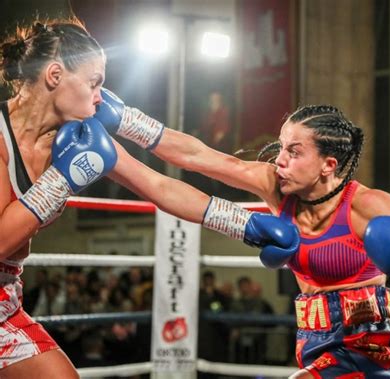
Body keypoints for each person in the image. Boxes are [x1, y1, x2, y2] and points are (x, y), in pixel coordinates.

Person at [0, 19, 300, 378]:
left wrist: (243, 224)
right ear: (54, 75)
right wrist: (62, 178)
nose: (100, 96)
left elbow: (160, 186)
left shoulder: (79, 135)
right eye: (94, 83)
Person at [96, 91, 390, 378]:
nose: (280, 159)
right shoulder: (277, 186)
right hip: (311, 340)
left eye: (294, 151)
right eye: (281, 146)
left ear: (328, 165)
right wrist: (126, 120)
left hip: (370, 345)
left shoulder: (370, 206)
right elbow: (198, 156)